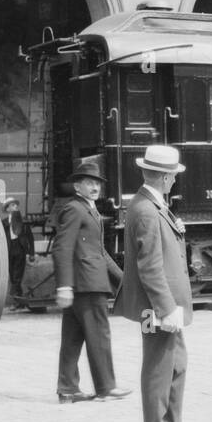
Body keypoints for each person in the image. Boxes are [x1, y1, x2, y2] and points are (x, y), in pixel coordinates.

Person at [114, 145, 195, 422]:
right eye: (173, 176)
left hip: (165, 303)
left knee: (176, 362)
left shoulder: (152, 205)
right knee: (158, 364)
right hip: (157, 306)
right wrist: (166, 308)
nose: (174, 180)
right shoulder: (146, 211)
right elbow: (149, 267)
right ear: (163, 178)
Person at [52, 159, 131, 405]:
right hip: (87, 283)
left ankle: (67, 389)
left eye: (97, 183)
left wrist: (123, 280)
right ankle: (106, 387)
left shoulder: (89, 209)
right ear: (77, 186)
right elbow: (61, 248)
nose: (94, 187)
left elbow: (100, 253)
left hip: (86, 282)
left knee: (73, 338)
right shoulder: (75, 209)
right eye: (89, 183)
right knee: (99, 334)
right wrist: (64, 285)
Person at [1, 199, 36, 306]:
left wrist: (31, 253)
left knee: (17, 275)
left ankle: (15, 299)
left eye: (16, 205)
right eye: (12, 205)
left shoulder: (23, 221)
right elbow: (0, 238)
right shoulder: (4, 223)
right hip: (9, 250)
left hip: (20, 249)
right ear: (7, 209)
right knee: (13, 276)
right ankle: (19, 301)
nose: (16, 206)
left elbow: (30, 237)